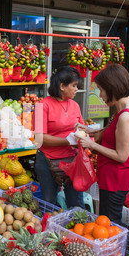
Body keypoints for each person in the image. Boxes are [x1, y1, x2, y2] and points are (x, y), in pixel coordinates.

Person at [76, 64, 129, 224]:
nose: (100, 94)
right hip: (115, 177)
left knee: (110, 223)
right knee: (109, 221)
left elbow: (122, 155)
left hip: (115, 178)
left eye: (101, 89)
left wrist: (92, 145)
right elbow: (115, 132)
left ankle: (115, 250)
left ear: (112, 87)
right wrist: (91, 130)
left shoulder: (125, 116)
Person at [34, 66, 85, 209]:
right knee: (49, 202)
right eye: (74, 86)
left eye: (77, 86)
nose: (76, 89)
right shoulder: (42, 106)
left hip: (73, 161)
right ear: (62, 86)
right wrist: (67, 141)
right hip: (48, 162)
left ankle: (76, 230)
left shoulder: (75, 105)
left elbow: (81, 127)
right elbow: (39, 138)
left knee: (76, 203)